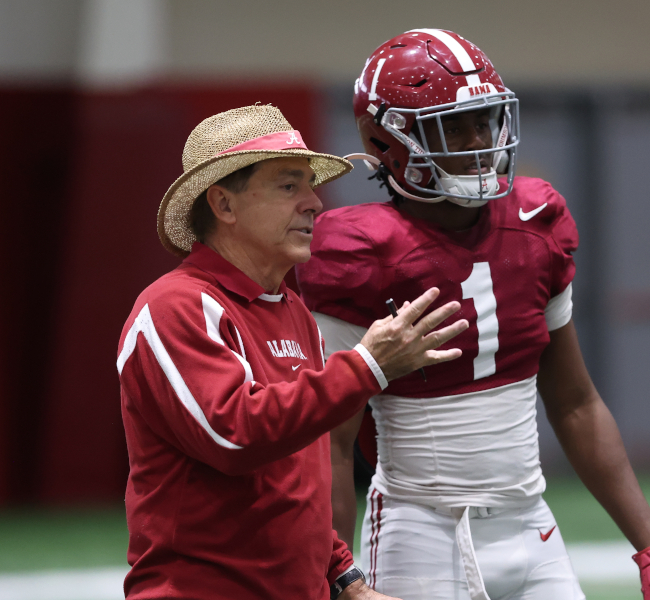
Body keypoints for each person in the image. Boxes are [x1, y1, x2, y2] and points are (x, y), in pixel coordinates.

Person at [296, 30, 650, 600]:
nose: (477, 142)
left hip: (534, 527)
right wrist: (336, 576)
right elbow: (330, 443)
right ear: (384, 140)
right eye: (450, 126)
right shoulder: (359, 251)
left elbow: (575, 402)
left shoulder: (534, 224)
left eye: (483, 121)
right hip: (419, 531)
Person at [116, 104, 469, 600]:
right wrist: (366, 366)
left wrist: (344, 577)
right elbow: (235, 438)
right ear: (223, 204)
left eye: (309, 184)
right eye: (289, 186)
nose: (314, 204)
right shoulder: (174, 307)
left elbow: (290, 478)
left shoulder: (292, 311)